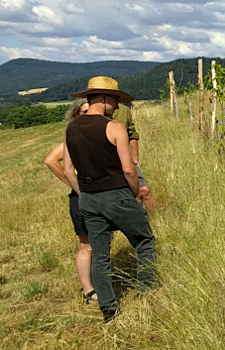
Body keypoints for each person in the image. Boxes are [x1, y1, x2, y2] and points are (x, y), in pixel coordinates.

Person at [62, 76, 157, 323]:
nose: (117, 106)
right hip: (117, 194)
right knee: (145, 242)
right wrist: (136, 193)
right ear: (104, 98)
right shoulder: (114, 127)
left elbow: (67, 168)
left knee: (101, 255)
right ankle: (147, 293)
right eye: (115, 100)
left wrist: (84, 195)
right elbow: (128, 169)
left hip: (88, 199)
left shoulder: (71, 128)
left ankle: (108, 309)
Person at [43, 98, 97, 304]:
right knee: (87, 246)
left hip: (98, 193)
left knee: (101, 243)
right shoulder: (73, 137)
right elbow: (50, 160)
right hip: (83, 197)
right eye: (84, 113)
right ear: (76, 115)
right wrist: (76, 187)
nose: (89, 115)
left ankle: (102, 281)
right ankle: (89, 290)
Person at [112, 104, 156, 209]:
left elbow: (132, 134)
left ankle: (156, 220)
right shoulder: (89, 110)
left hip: (125, 158)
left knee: (143, 190)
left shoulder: (124, 110)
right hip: (106, 161)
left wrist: (135, 157)